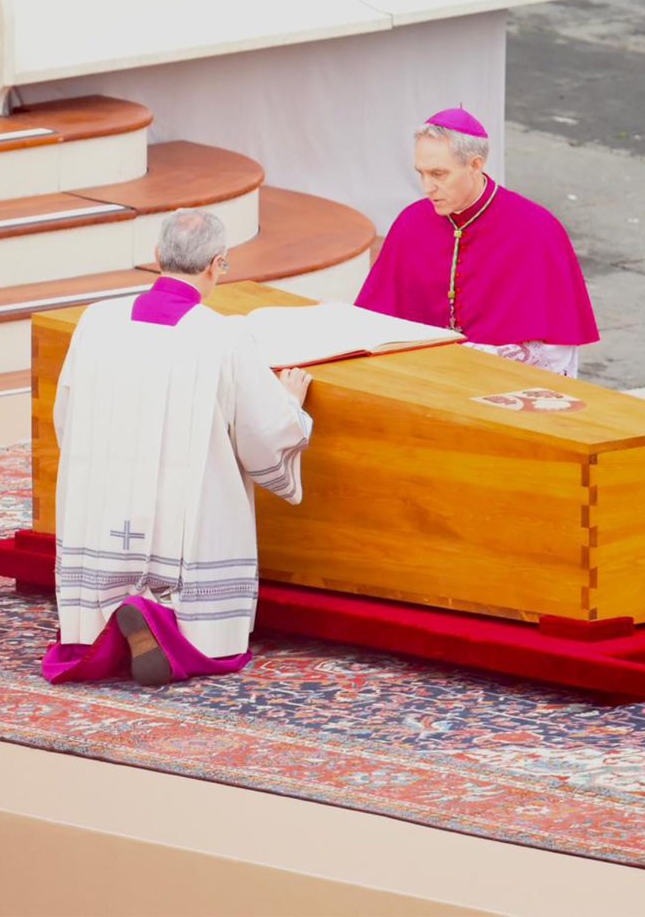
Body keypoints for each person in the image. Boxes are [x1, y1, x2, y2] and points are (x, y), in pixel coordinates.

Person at [42, 209, 313, 687]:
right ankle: (166, 630)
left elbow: (68, 414)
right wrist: (291, 403)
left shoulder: (97, 321)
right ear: (217, 264)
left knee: (110, 545)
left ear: (156, 255)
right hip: (186, 504)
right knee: (200, 600)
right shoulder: (223, 336)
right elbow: (263, 432)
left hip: (108, 499)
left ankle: (107, 625)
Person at [355, 108, 598, 377]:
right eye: (421, 173)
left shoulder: (537, 230)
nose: (427, 187)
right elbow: (375, 322)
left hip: (500, 382)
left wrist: (464, 359)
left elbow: (553, 351)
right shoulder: (411, 222)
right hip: (421, 379)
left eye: (438, 174)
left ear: (475, 165)